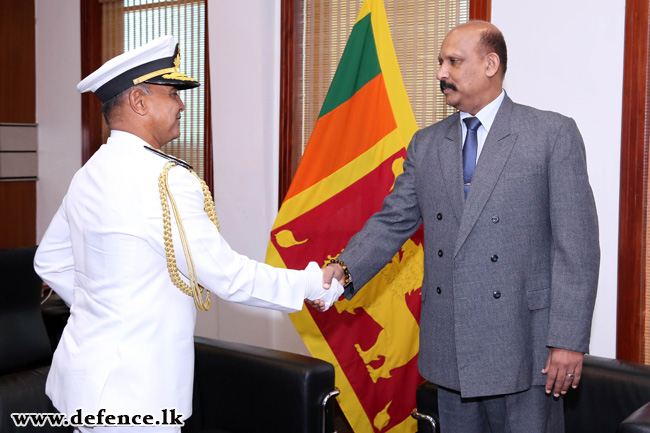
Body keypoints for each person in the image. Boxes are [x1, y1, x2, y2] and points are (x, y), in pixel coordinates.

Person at [34, 35, 342, 433]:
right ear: (139, 102)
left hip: (81, 387)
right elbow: (226, 275)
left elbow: (49, 261)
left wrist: (104, 312)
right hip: (136, 399)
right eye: (171, 93)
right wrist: (312, 283)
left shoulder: (89, 172)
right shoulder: (165, 179)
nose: (181, 104)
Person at [321, 20, 599, 433]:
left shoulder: (550, 134)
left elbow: (577, 249)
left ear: (491, 64)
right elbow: (393, 219)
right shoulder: (427, 143)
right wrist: (344, 269)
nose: (441, 74)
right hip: (451, 348)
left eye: (453, 61)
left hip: (526, 345)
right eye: (439, 63)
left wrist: (568, 340)